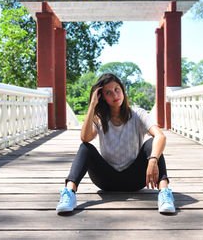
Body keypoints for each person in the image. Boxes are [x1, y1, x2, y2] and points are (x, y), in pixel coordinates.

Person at [56, 73, 175, 214]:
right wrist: (92, 105)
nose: (115, 95)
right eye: (108, 92)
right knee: (85, 148)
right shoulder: (99, 118)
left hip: (135, 179)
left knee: (154, 143)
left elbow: (160, 136)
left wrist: (153, 160)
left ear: (123, 90)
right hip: (106, 180)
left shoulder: (138, 114)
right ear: (103, 97)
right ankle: (69, 192)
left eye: (117, 89)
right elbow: (85, 138)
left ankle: (165, 194)